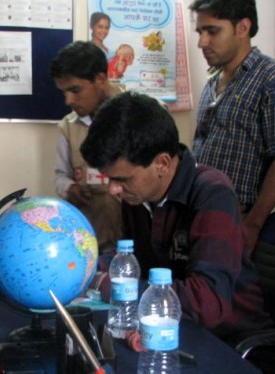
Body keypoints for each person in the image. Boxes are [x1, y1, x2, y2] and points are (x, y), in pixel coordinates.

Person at [80, 91, 273, 341]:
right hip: (168, 327)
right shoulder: (138, 194)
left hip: (227, 340)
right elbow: (135, 260)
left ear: (162, 163)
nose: (113, 189)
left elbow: (208, 302)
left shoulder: (213, 194)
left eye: (121, 179)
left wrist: (110, 285)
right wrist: (85, 264)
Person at [189, 0, 275, 253]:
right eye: (200, 32)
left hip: (240, 220)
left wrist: (253, 225)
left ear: (243, 28)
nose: (202, 42)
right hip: (201, 214)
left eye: (212, 31)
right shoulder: (212, 81)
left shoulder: (268, 80)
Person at [50, 41, 122, 253]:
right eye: (64, 92)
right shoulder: (68, 127)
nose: (68, 100)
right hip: (89, 241)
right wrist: (69, 188)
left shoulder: (137, 116)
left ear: (100, 79)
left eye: (75, 90)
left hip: (132, 241)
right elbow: (61, 176)